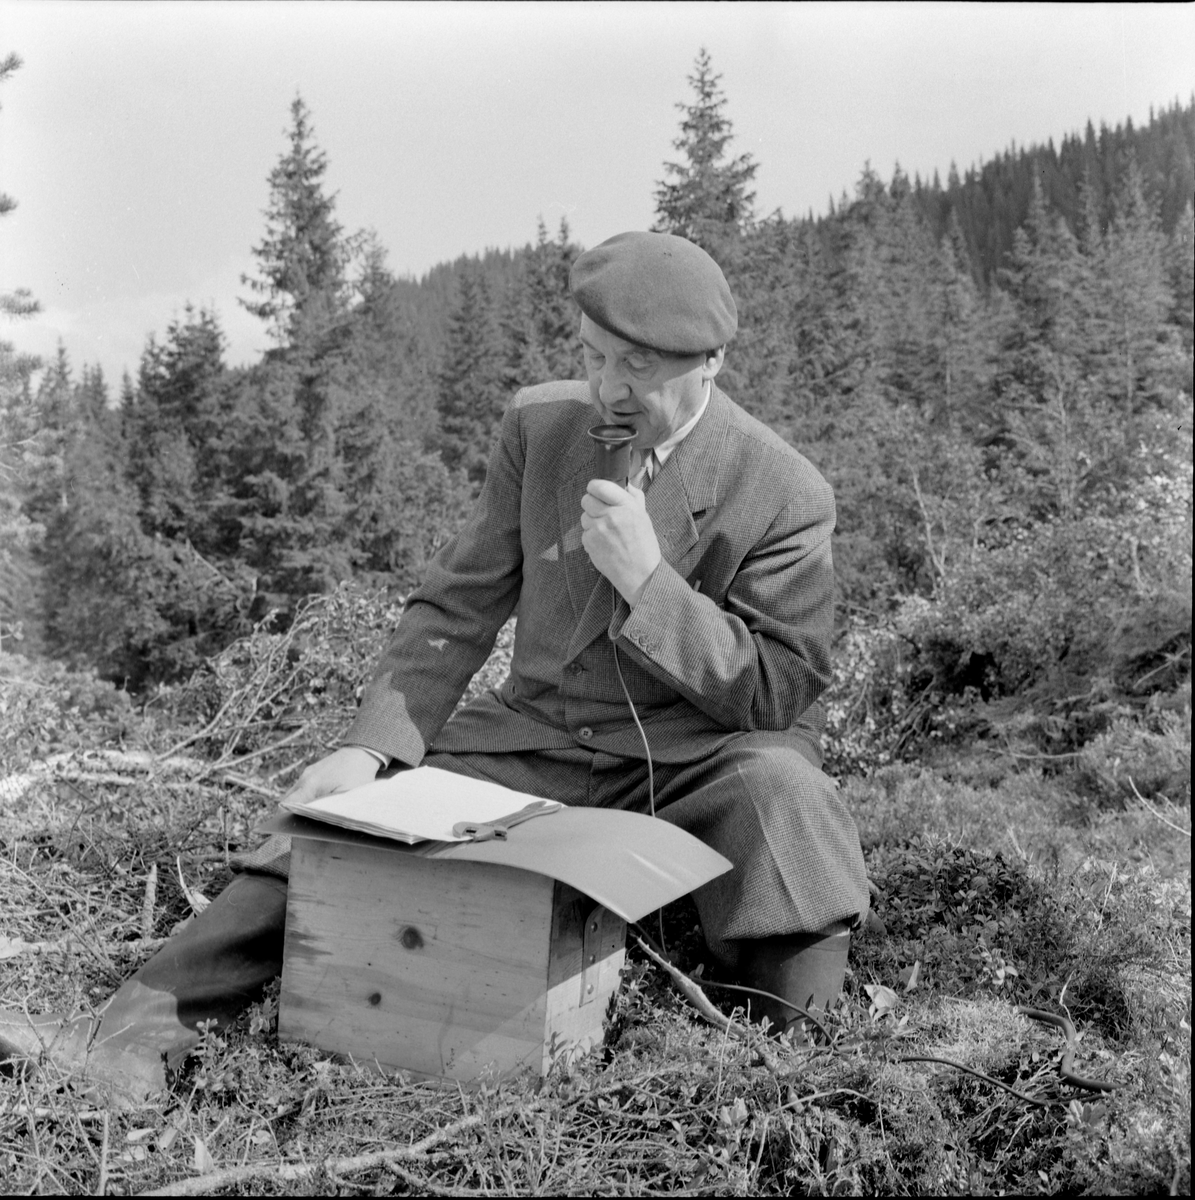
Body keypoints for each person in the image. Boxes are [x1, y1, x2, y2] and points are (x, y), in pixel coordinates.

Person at [0, 231, 869, 1105]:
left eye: (636, 366)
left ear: (710, 360)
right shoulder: (543, 428)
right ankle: (127, 1047)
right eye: (595, 356)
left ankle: (795, 1075)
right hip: (541, 742)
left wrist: (650, 584)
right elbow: (456, 608)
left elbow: (778, 689)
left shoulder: (782, 490)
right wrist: (372, 748)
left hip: (698, 762)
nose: (608, 387)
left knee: (785, 797)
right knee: (343, 823)